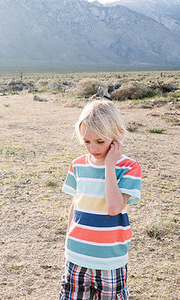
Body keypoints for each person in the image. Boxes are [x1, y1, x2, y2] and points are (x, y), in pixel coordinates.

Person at [59, 100, 142, 299]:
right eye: (86, 141)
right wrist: (68, 245)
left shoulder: (129, 167)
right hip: (77, 255)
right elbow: (75, 205)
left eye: (100, 141)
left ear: (117, 134)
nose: (92, 148)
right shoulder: (77, 165)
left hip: (109, 259)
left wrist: (110, 165)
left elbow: (114, 207)